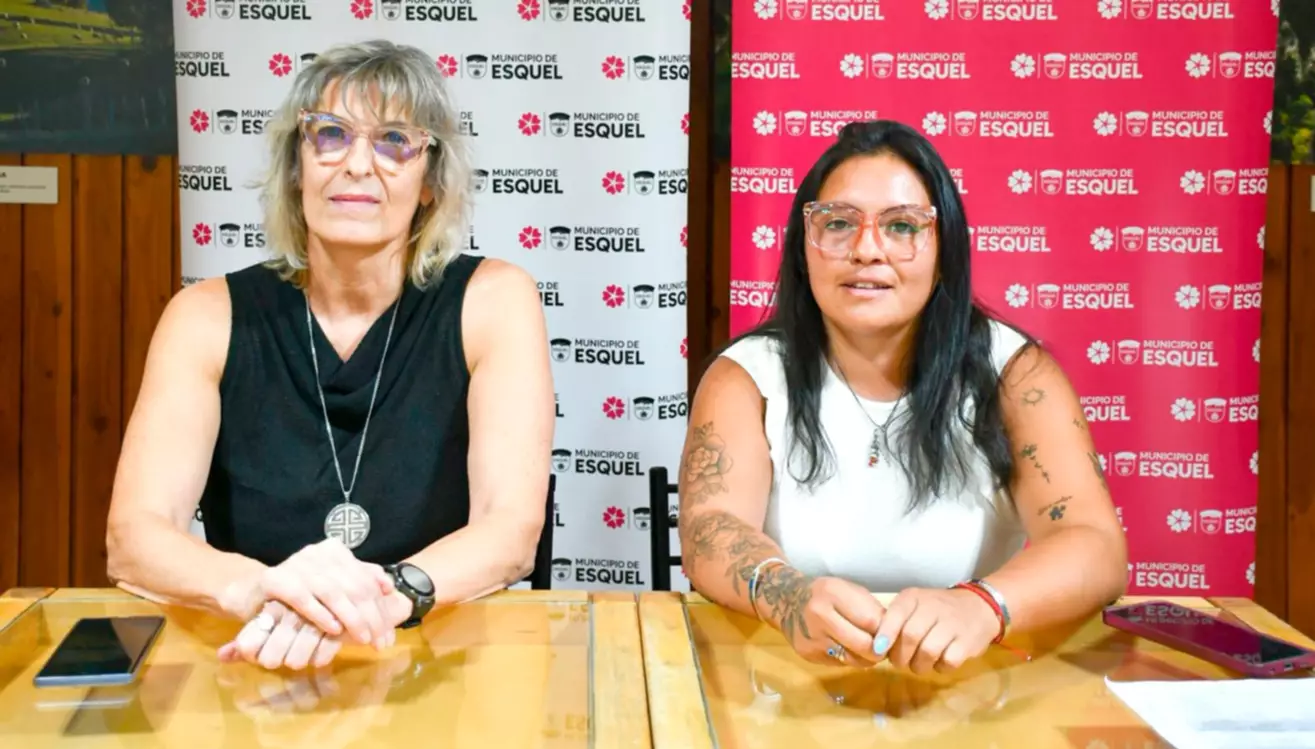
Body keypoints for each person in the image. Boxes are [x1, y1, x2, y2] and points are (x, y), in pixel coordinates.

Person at [105, 39, 554, 671]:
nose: (358, 165)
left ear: (430, 181)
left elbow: (509, 532)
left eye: (394, 140)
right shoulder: (204, 317)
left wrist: (379, 600)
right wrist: (262, 591)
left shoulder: (495, 300)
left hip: (436, 656)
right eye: (331, 135)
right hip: (256, 652)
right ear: (297, 166)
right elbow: (134, 538)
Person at [677, 120, 1127, 674]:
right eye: (838, 223)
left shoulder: (1014, 375)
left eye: (901, 226)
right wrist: (788, 596)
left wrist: (982, 606)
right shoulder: (747, 376)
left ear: (945, 253)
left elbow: (1094, 544)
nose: (867, 249)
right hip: (782, 675)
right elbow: (709, 527)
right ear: (803, 249)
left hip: (969, 680)